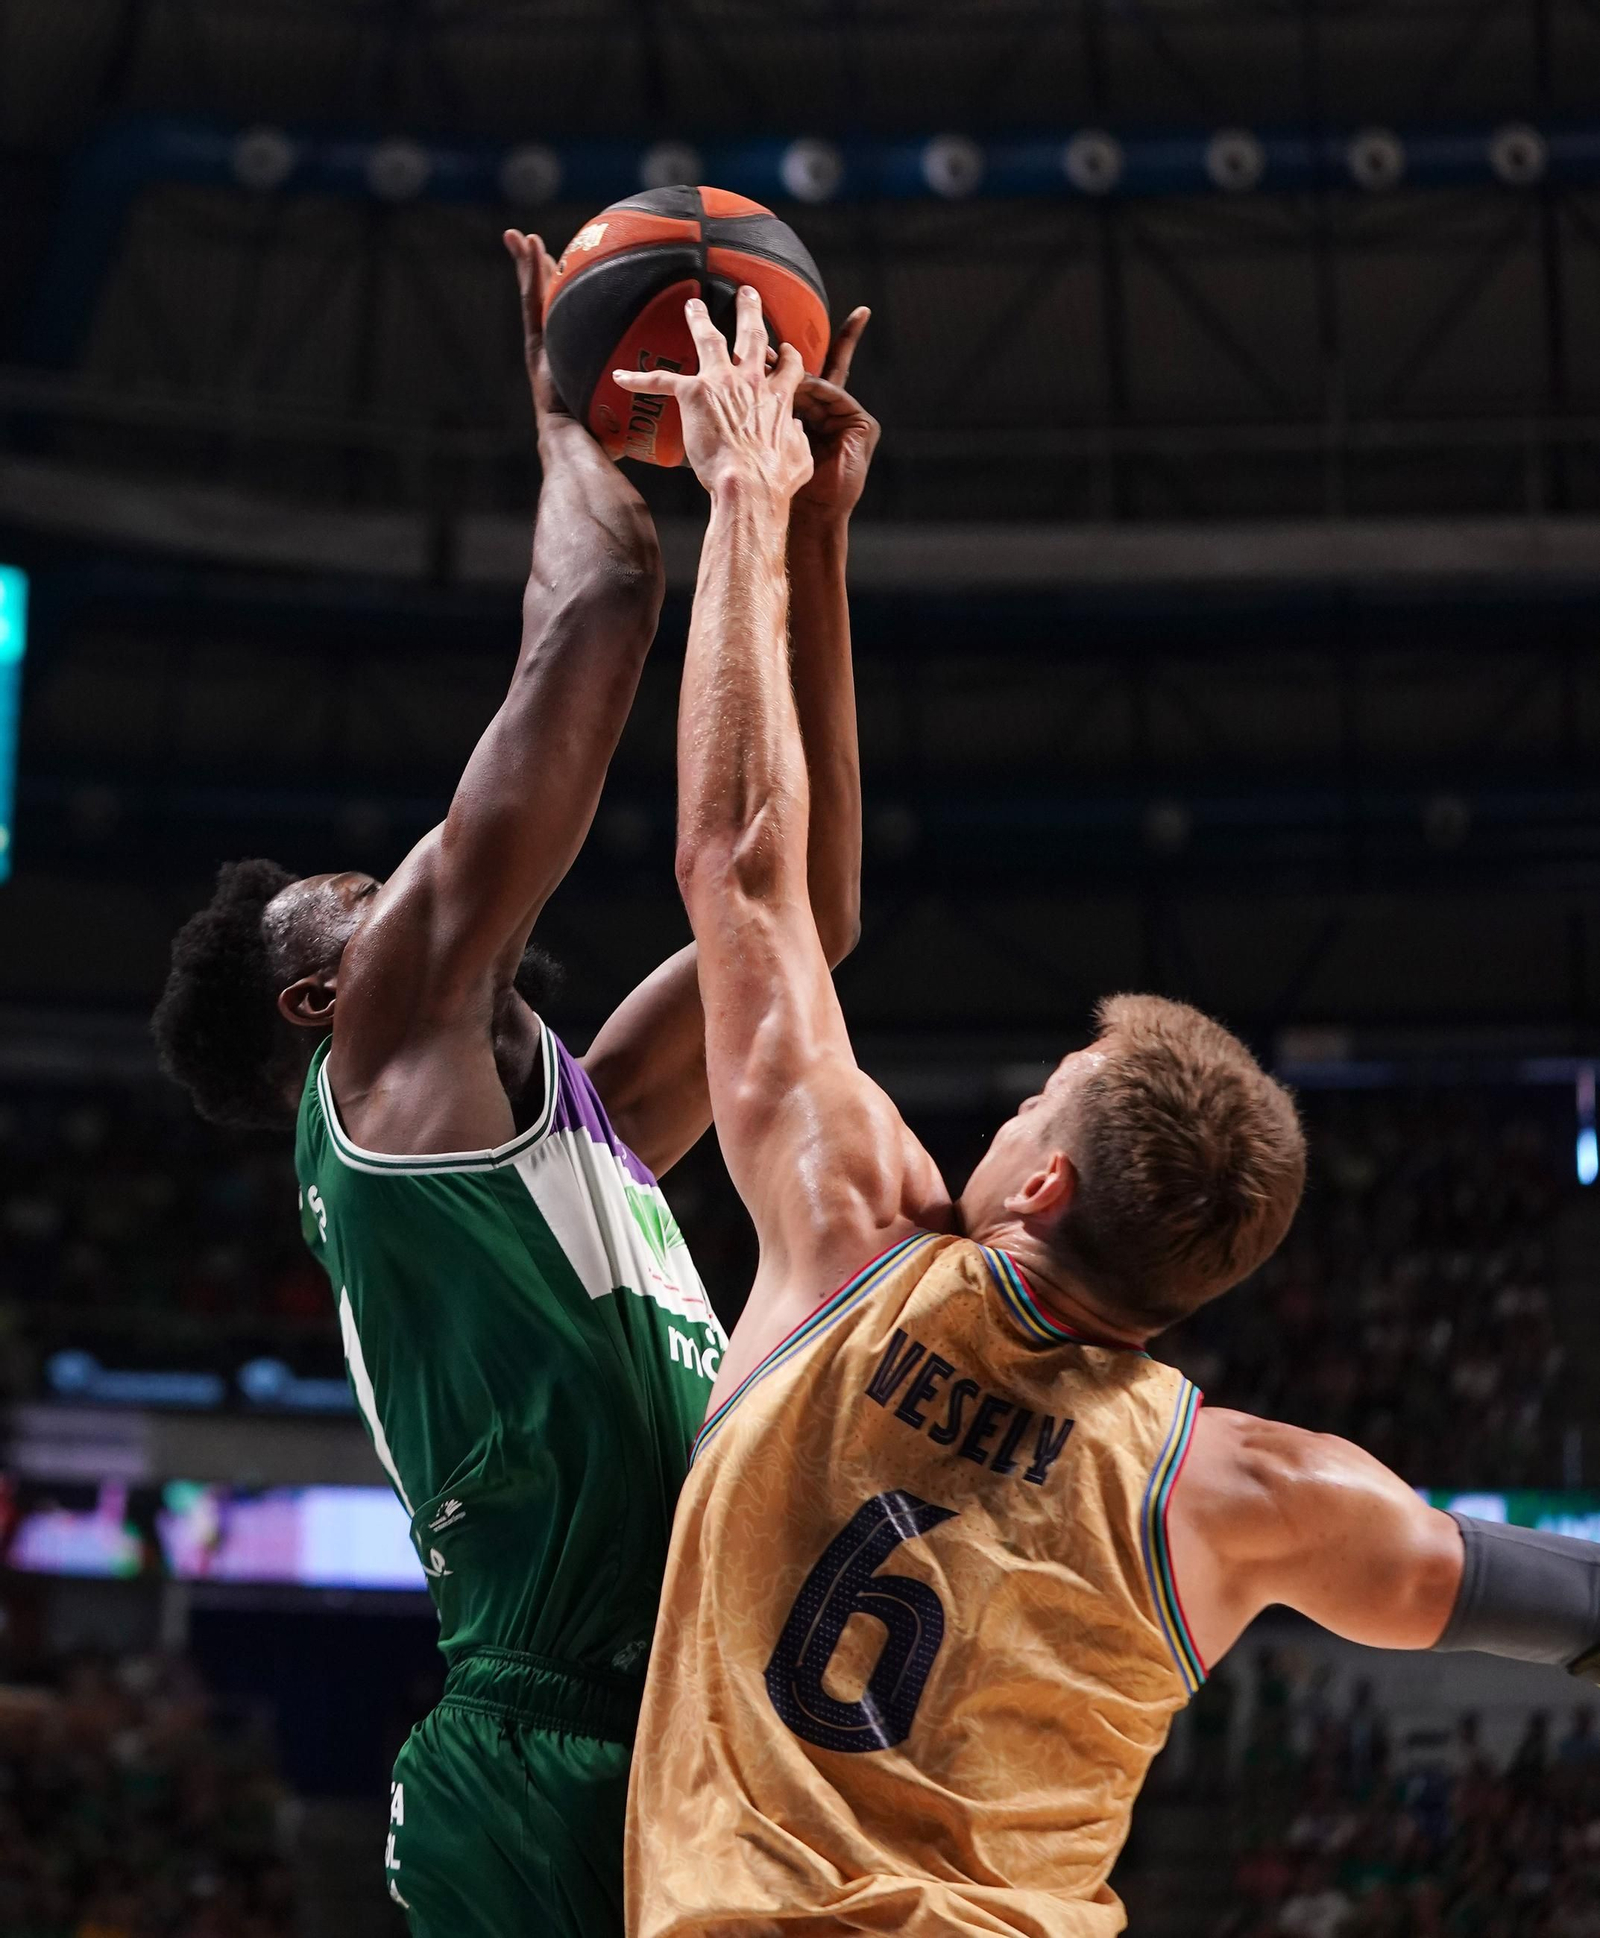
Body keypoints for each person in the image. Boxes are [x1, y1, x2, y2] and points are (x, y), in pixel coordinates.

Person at [616, 289, 1600, 1937]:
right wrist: (810, 548)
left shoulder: (856, 1231)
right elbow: (1558, 1595)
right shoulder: (1246, 1490)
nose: (1001, 1112)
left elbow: (743, 864)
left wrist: (748, 503)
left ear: (1044, 1175)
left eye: (1029, 1099)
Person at [151, 236, 879, 1938]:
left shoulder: (582, 1118)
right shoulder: (387, 1052)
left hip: (689, 1720)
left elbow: (809, 918)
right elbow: (601, 620)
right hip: (542, 1746)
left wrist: (816, 545)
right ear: (328, 994)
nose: (396, 877)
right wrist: (566, 409)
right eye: (360, 889)